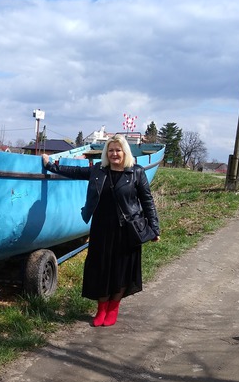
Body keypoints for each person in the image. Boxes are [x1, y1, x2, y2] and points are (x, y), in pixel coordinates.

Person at [42, 135, 160, 327]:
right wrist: (50, 166)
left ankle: (113, 308)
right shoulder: (99, 170)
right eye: (110, 150)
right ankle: (101, 309)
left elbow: (147, 201)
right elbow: (75, 171)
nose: (114, 154)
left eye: (118, 150)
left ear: (125, 152)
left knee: (121, 270)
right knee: (101, 270)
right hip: (101, 230)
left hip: (127, 231)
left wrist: (154, 228)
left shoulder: (136, 172)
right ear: (106, 153)